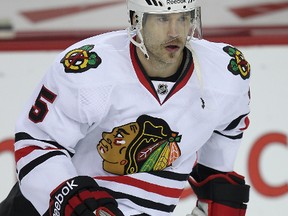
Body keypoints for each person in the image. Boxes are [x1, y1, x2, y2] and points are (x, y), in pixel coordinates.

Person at [0, 0, 251, 215]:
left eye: (183, 17)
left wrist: (217, 197)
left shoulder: (225, 74)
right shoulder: (88, 69)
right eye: (162, 19)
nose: (175, 31)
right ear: (136, 20)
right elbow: (36, 144)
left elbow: (222, 152)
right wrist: (74, 202)